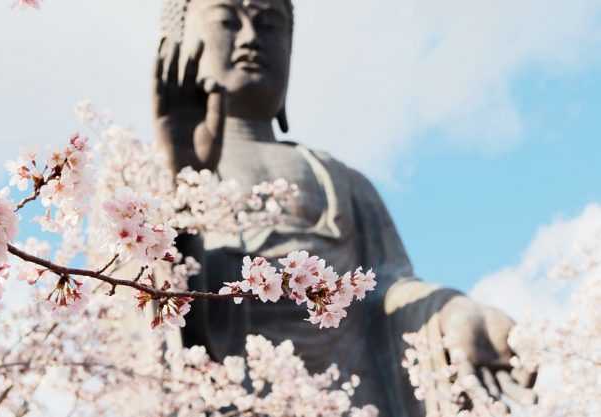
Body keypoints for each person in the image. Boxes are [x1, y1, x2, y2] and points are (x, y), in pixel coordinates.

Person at [153, 0, 536, 415]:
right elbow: (146, 311)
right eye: (227, 21)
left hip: (354, 399)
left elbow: (388, 290)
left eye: (269, 25)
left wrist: (449, 313)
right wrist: (183, 189)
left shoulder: (340, 180)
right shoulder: (143, 183)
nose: (250, 39)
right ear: (177, 46)